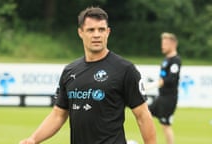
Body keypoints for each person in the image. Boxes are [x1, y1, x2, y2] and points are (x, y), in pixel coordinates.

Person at [19, 6, 156, 144]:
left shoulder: (125, 69)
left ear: (108, 32)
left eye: (101, 29)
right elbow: (58, 115)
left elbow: (143, 116)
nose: (96, 35)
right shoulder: (70, 71)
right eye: (91, 30)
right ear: (80, 32)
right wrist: (33, 139)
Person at [148, 32, 181, 144]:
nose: (162, 46)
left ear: (173, 44)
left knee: (165, 124)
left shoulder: (175, 60)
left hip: (169, 98)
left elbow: (170, 79)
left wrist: (152, 85)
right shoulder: (166, 59)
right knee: (146, 114)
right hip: (161, 97)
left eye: (165, 43)